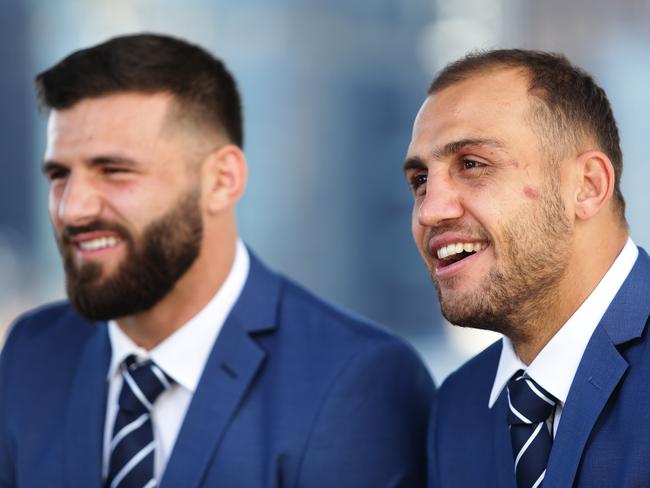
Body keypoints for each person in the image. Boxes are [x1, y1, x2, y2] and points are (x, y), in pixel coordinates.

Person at [0, 33, 434, 488]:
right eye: (59, 175)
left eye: (114, 171)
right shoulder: (34, 351)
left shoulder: (358, 383)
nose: (74, 208)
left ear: (222, 180)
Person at [403, 49, 650, 487]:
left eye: (473, 165)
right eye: (421, 181)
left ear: (587, 186)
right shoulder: (458, 410)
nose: (429, 212)